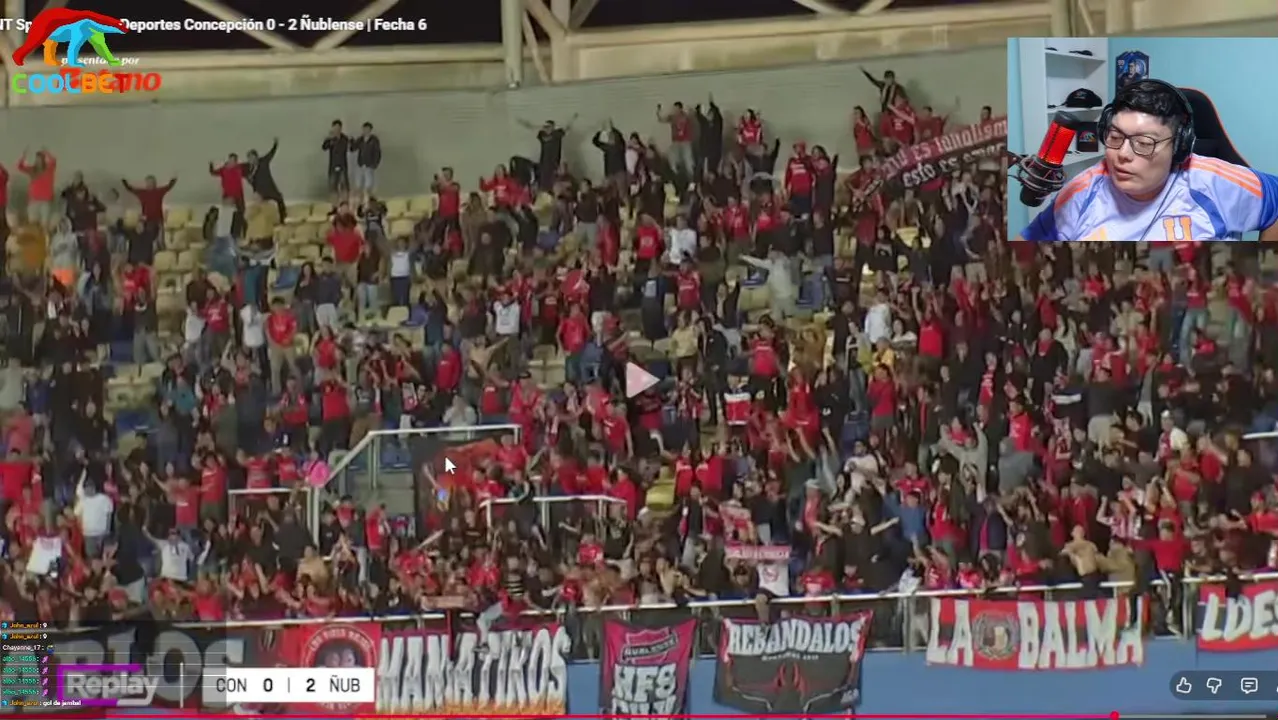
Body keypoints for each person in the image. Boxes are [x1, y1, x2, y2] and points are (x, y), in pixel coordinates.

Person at [1018, 79, 1278, 241]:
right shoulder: (1082, 192)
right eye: (1115, 137)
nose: (1122, 154)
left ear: (1178, 148)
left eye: (1143, 143)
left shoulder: (1213, 182)